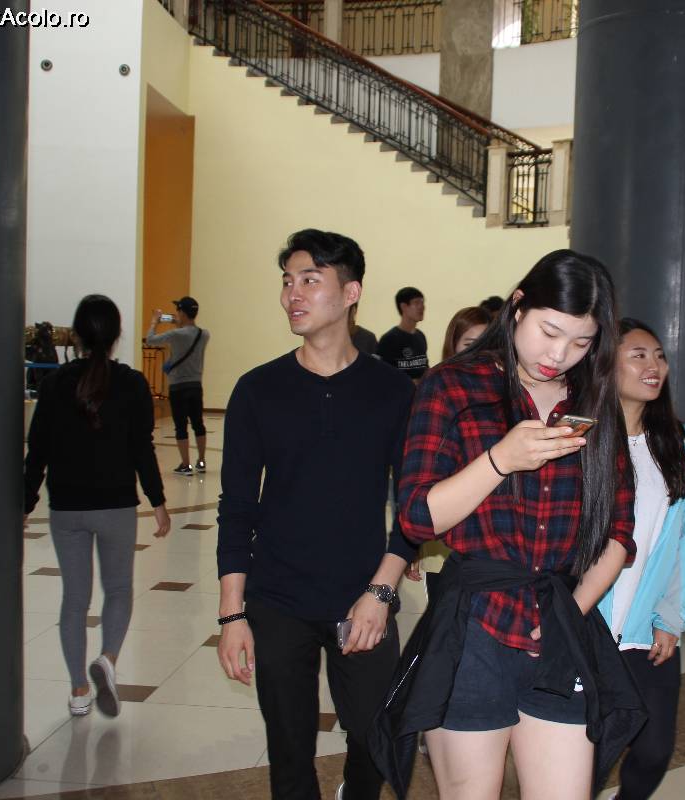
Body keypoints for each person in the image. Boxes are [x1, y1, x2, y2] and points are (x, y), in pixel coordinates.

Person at [371, 250, 644, 800]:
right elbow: (418, 518)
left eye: (581, 342)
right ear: (518, 307)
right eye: (549, 332)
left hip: (560, 621)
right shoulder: (454, 386)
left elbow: (619, 531)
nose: (559, 355)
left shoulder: (594, 401)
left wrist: (571, 612)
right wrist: (501, 459)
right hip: (474, 626)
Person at [216, 229, 416, 800]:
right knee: (289, 750)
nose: (292, 295)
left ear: (351, 292)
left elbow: (414, 504)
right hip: (278, 599)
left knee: (375, 739)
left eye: (309, 280)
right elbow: (237, 507)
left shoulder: (392, 391)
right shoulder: (258, 390)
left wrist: (381, 591)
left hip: (363, 597)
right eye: (287, 281)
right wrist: (232, 614)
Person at [23, 294, 172, 718]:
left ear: (77, 335)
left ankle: (77, 690)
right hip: (115, 506)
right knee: (118, 589)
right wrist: (158, 501)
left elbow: (38, 451)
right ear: (117, 335)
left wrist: (25, 502)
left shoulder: (54, 384)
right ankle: (107, 658)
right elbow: (142, 448)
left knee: (75, 597)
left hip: (66, 507)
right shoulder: (132, 384)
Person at [596, 318, 685, 800]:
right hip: (588, 626)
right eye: (639, 355)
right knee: (587, 757)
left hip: (648, 629)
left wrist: (671, 617)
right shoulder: (582, 441)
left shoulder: (682, 446)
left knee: (654, 750)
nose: (654, 366)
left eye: (659, 356)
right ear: (606, 364)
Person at [404, 306, 493, 606]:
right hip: (443, 540)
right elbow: (418, 482)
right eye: (470, 344)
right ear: (453, 346)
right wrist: (412, 546)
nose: (480, 353)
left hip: (486, 546)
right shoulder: (438, 392)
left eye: (489, 343)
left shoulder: (503, 398)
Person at [145, 296, 211, 475]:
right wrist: (179, 322)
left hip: (178, 387)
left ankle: (186, 465)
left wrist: (155, 321)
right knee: (198, 424)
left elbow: (150, 339)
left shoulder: (176, 335)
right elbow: (188, 334)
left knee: (181, 426)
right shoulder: (204, 334)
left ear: (182, 313)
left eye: (178, 311)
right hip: (196, 386)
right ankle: (201, 461)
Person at [376, 287, 428, 380]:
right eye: (417, 303)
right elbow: (383, 374)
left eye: (422, 302)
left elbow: (425, 369)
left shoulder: (421, 336)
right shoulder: (389, 339)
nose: (422, 307)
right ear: (403, 307)